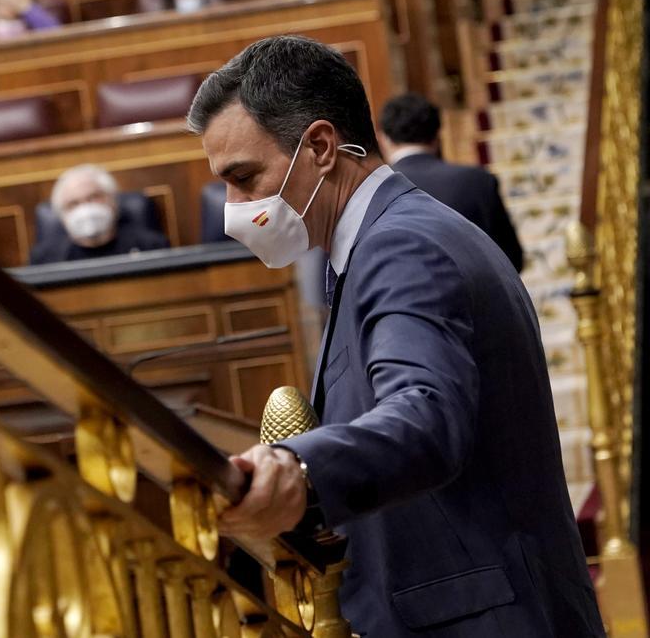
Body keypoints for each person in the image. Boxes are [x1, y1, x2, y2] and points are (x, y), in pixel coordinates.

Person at [188, 36, 601, 636]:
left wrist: (297, 471)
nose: (233, 208)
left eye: (244, 177)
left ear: (322, 147)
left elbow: (425, 418)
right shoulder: (383, 243)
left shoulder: (400, 245)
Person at [380, 92, 524, 272]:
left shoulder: (377, 187)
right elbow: (511, 260)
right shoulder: (478, 180)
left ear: (384, 139)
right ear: (437, 136)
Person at [30, 164, 168, 264]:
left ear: (113, 200)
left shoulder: (152, 247)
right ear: (61, 215)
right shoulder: (44, 260)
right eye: (73, 204)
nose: (85, 209)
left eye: (93, 197)